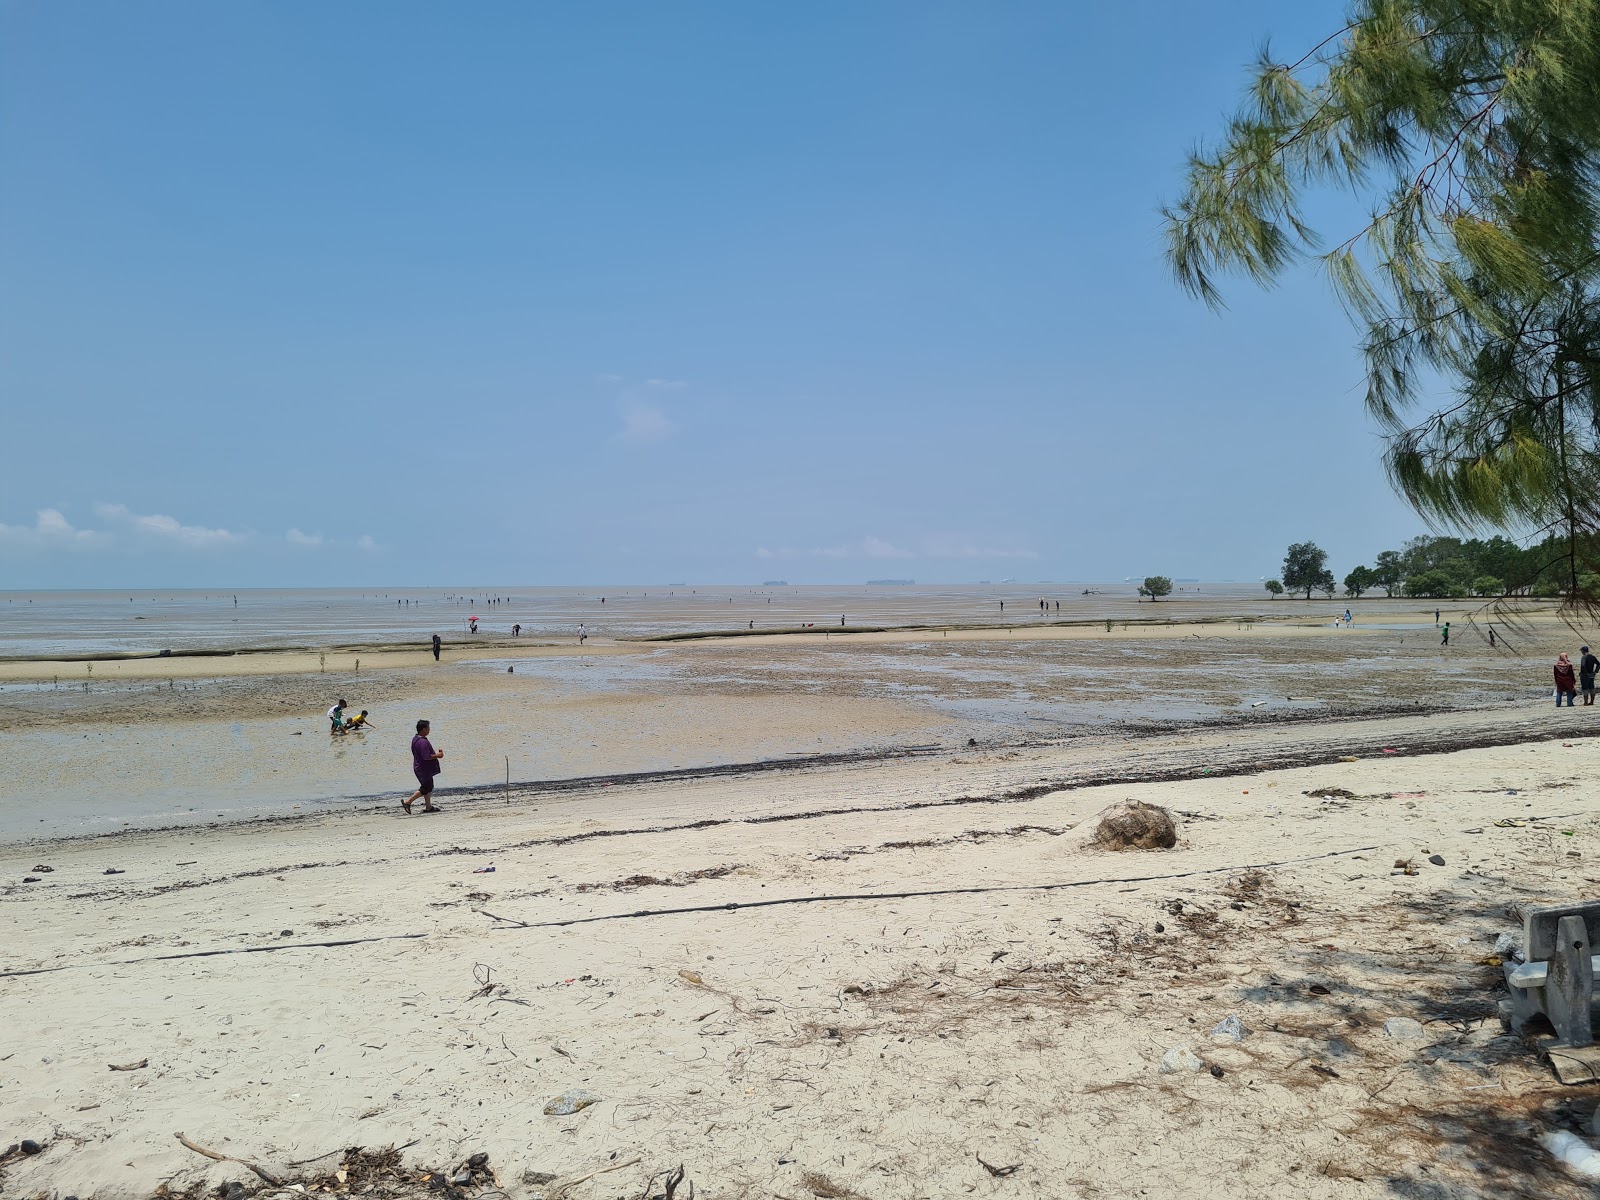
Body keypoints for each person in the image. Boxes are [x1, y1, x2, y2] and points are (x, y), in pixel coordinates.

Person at [404, 720, 444, 813]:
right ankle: (408, 802)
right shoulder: (422, 742)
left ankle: (428, 807)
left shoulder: (416, 738)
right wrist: (438, 755)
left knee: (428, 786)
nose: (429, 730)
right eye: (428, 728)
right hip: (423, 768)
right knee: (426, 788)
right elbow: (426, 756)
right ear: (424, 729)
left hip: (420, 767)